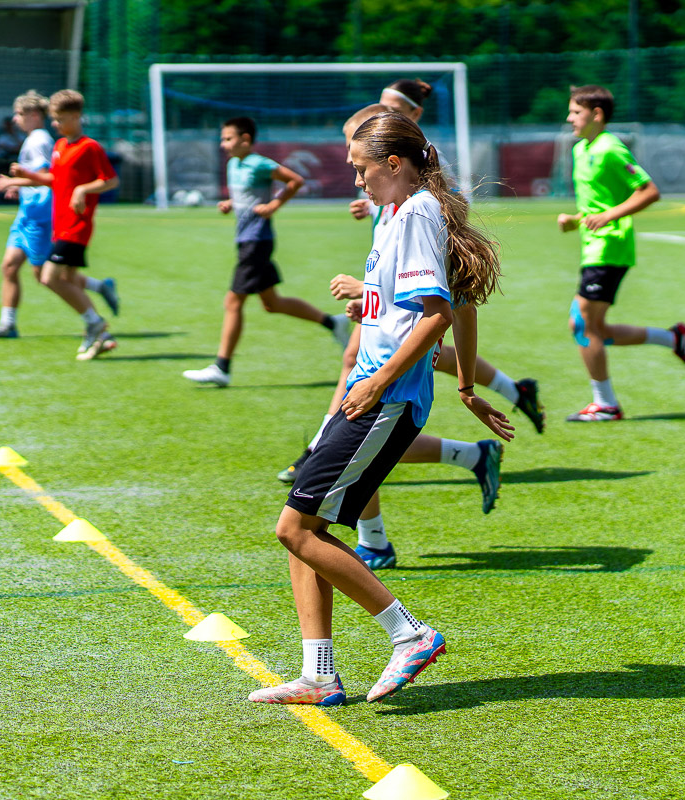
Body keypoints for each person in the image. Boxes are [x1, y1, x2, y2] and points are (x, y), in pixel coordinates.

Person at [248, 112, 511, 707]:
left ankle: (409, 634)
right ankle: (319, 675)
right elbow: (444, 304)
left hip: (383, 398)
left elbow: (438, 315)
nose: (356, 179)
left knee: (295, 528)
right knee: (304, 528)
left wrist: (378, 382)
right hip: (373, 391)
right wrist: (462, 385)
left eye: (361, 167)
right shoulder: (404, 212)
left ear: (394, 163)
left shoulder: (416, 213)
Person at [557, 85, 685, 422]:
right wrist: (577, 220)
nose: (569, 118)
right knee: (596, 329)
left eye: (576, 112)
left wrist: (609, 216)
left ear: (597, 114)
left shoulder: (611, 148)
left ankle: (606, 404)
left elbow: (649, 191)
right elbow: (599, 203)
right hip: (593, 247)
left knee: (582, 325)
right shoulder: (581, 150)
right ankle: (673, 339)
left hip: (610, 246)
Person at [182, 117, 350, 387]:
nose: (223, 144)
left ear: (245, 139)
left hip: (256, 241)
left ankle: (222, 367)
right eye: (222, 139)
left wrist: (274, 205)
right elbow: (247, 197)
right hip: (245, 240)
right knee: (272, 303)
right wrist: (231, 203)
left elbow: (295, 180)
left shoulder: (259, 163)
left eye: (228, 139)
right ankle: (333, 323)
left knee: (233, 302)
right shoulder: (233, 164)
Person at [0, 91, 119, 340]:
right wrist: (21, 179)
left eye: (59, 119)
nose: (54, 124)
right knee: (23, 269)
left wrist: (81, 190)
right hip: (46, 219)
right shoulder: (59, 145)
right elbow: (55, 178)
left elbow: (109, 180)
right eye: (54, 119)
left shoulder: (72, 144)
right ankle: (11, 324)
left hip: (55, 220)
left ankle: (96, 321)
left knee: (48, 276)